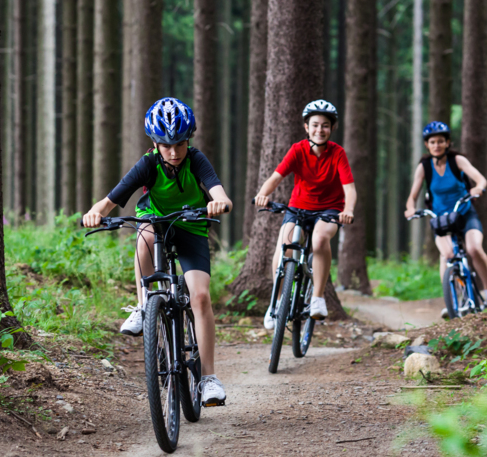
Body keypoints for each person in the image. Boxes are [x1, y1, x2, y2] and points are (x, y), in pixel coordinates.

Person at [82, 97, 233, 406]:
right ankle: (143, 306)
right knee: (145, 234)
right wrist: (95, 212)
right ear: (155, 143)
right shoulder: (148, 163)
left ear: (188, 140)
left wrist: (219, 202)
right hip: (156, 224)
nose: (174, 152)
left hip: (191, 227)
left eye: (179, 143)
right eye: (166, 145)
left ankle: (208, 378)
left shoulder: (196, 160)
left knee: (200, 296)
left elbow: (219, 192)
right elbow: (112, 198)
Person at [253, 100, 356, 328]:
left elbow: (349, 188)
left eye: (326, 125)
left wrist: (348, 210)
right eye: (315, 125)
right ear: (306, 127)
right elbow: (276, 177)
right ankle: (277, 303)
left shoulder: (338, 153)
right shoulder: (297, 150)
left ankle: (317, 298)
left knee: (319, 240)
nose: (320, 130)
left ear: (332, 128)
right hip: (298, 207)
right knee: (285, 248)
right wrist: (263, 194)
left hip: (330, 209)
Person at [403, 121, 487, 314]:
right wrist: (409, 208)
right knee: (447, 255)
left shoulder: (457, 160)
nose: (436, 145)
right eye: (432, 142)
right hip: (441, 220)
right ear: (427, 144)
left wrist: (478, 188)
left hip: (464, 214)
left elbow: (480, 178)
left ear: (448, 142)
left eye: (440, 141)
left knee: (474, 248)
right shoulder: (424, 167)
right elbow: (412, 196)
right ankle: (453, 301)